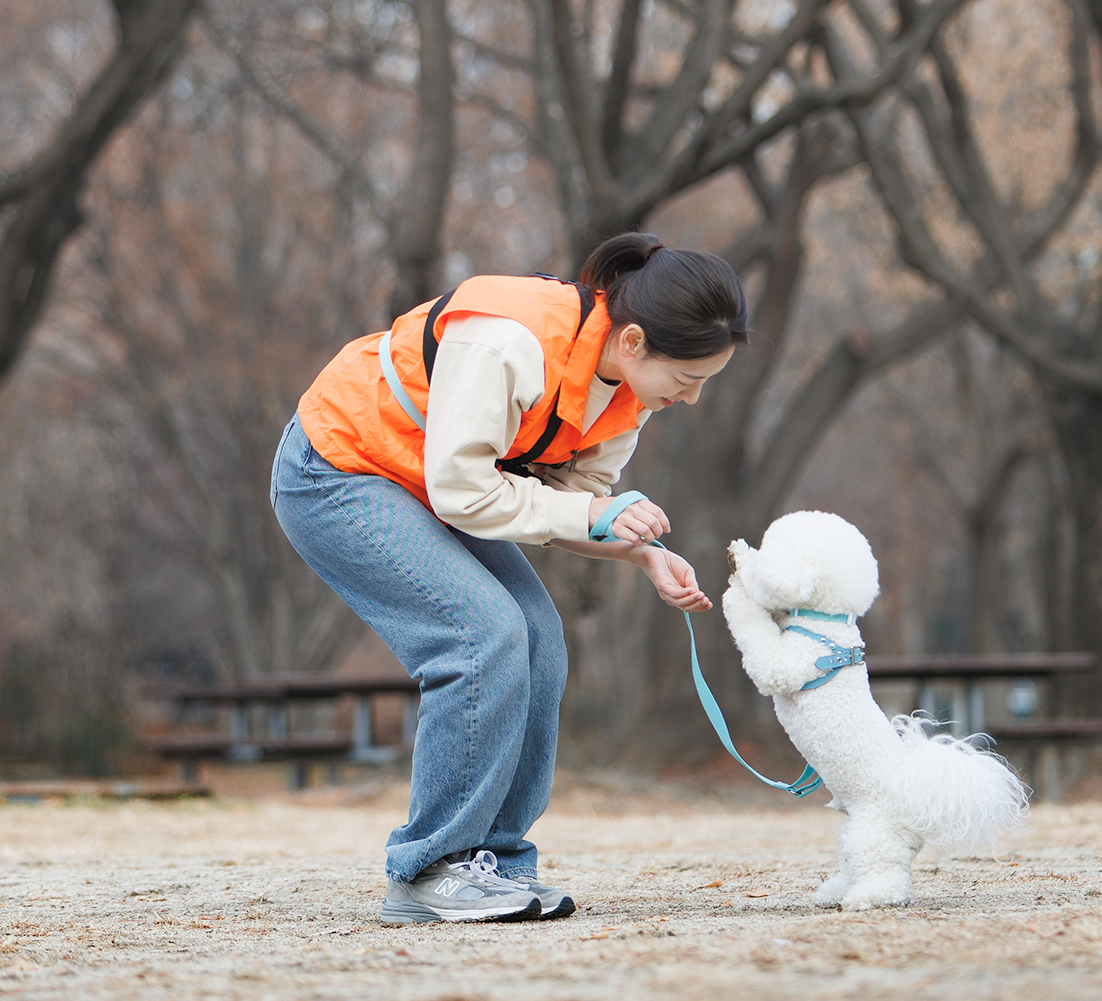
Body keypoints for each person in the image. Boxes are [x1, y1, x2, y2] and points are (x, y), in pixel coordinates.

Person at [270, 232, 748, 924]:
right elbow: (468, 492)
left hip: (428, 486)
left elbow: (569, 509)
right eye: (691, 378)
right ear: (636, 341)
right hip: (339, 468)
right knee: (480, 633)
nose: (694, 398)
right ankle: (431, 868)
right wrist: (594, 512)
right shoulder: (508, 342)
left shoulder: (626, 398)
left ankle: (490, 865)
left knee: (539, 638)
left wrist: (637, 550)